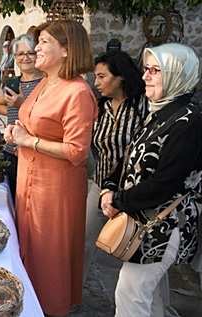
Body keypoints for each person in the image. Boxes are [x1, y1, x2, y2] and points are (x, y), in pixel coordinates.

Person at [99, 42, 202, 317]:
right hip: (146, 220)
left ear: (176, 74)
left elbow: (164, 184)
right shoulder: (158, 111)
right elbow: (130, 155)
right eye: (146, 69)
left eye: (155, 70)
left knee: (130, 295)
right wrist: (108, 187)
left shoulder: (188, 120)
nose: (145, 76)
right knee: (151, 297)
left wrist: (118, 200)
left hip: (164, 225)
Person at [3, 20, 96, 316]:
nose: (37, 48)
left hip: (55, 189)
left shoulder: (77, 91)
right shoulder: (45, 82)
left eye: (44, 42)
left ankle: (49, 309)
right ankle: (29, 305)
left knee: (49, 257)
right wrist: (16, 132)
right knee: (30, 250)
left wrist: (28, 140)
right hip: (29, 182)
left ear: (66, 50)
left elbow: (76, 151)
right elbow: (33, 123)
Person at [82, 49, 148, 285]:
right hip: (100, 185)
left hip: (133, 190)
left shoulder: (144, 106)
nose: (96, 82)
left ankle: (150, 304)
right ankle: (73, 296)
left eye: (102, 76)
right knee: (84, 241)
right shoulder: (101, 108)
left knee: (137, 249)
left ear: (120, 76)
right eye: (95, 77)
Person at [0, 34, 44, 201]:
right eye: (20, 54)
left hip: (34, 150)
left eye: (30, 53)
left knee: (31, 201)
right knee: (14, 199)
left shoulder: (45, 83)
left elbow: (46, 116)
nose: (25, 58)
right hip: (11, 151)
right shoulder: (12, 83)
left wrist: (22, 106)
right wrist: (14, 112)